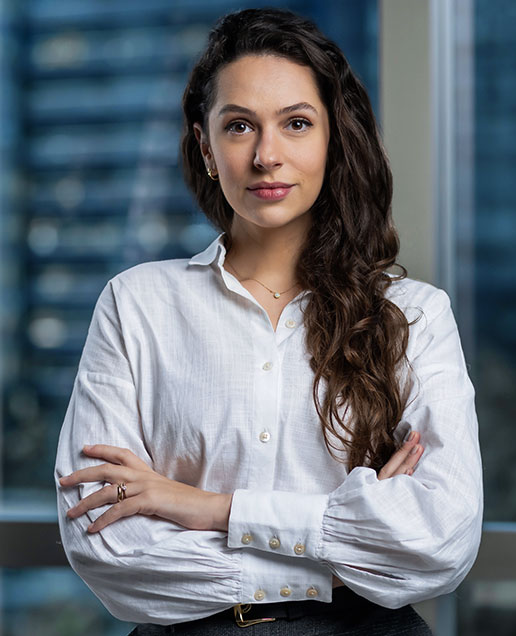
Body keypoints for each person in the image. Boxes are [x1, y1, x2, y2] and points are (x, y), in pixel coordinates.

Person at [54, 7, 482, 635]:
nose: (266, 156)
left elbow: (438, 540)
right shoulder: (136, 304)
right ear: (206, 147)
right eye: (238, 127)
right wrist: (341, 552)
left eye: (297, 124)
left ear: (332, 138)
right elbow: (107, 547)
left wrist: (208, 508)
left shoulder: (413, 315)